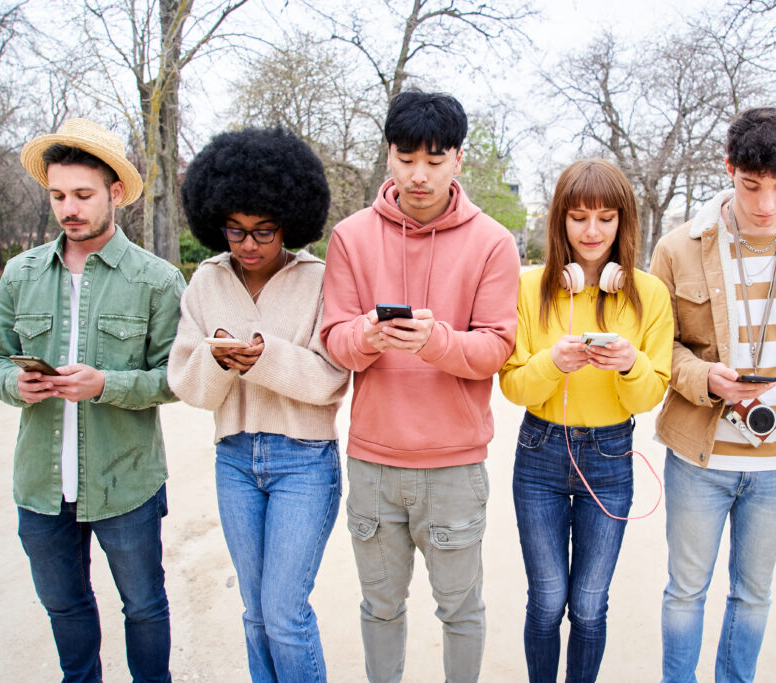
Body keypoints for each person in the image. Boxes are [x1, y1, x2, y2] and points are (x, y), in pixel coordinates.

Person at [319, 90, 520, 682]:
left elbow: (496, 349)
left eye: (434, 161)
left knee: (461, 610)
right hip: (373, 463)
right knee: (380, 607)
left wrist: (436, 341)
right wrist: (367, 336)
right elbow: (333, 340)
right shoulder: (351, 237)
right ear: (388, 155)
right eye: (406, 159)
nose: (419, 175)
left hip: (454, 466)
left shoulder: (493, 242)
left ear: (458, 158)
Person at [649, 107, 776, 682]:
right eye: (751, 185)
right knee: (686, 590)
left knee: (754, 593)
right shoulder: (679, 247)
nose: (766, 203)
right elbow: (657, 347)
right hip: (700, 455)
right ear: (729, 168)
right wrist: (704, 377)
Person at [0, 118, 185, 682]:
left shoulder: (158, 280)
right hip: (41, 485)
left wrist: (107, 385)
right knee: (65, 606)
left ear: (115, 193)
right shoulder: (20, 274)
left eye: (82, 194)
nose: (68, 209)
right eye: (58, 196)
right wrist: (13, 384)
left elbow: (178, 378)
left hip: (125, 481)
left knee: (144, 606)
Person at [166, 127, 349, 683]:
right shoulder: (206, 281)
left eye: (263, 231)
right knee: (255, 614)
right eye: (235, 230)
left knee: (285, 615)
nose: (248, 244)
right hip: (235, 461)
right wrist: (217, 360)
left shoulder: (320, 281)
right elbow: (190, 388)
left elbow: (331, 380)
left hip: (305, 462)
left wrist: (263, 358)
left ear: (289, 222)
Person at [499, 159, 672, 682]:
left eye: (605, 218)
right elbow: (512, 386)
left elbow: (650, 395)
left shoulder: (650, 294)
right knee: (547, 600)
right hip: (540, 453)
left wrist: (630, 363)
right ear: (560, 220)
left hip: (610, 456)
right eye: (578, 218)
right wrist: (552, 363)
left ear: (623, 221)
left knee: (591, 605)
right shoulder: (529, 288)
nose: (591, 231)